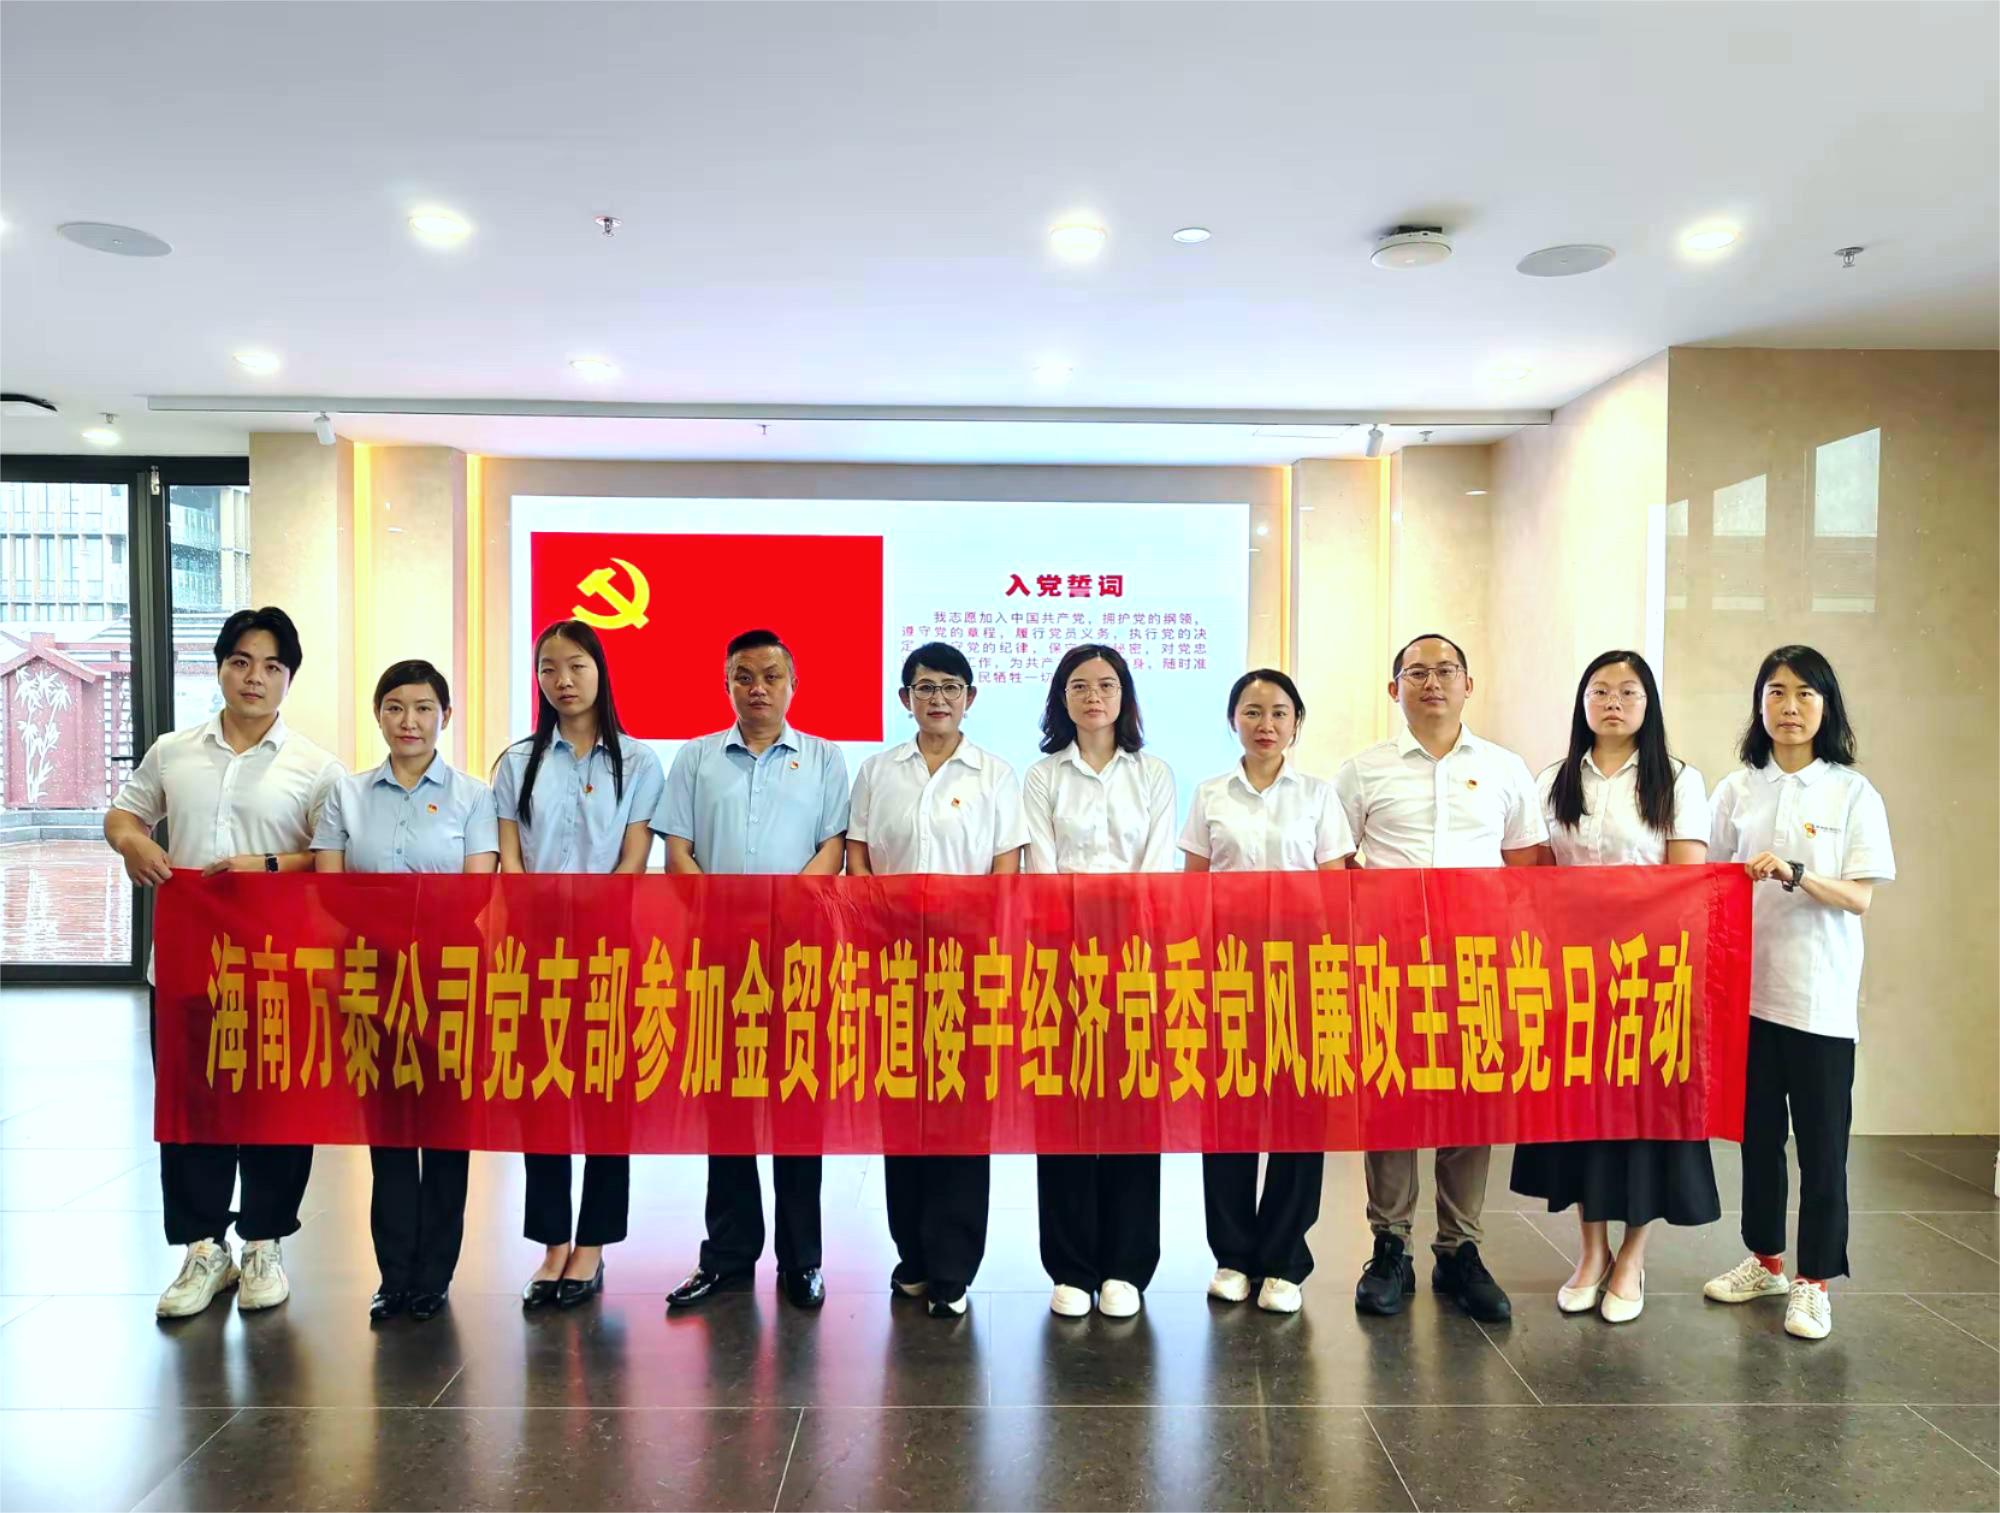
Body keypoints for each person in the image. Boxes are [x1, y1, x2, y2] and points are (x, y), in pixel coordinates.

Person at [105, 606, 344, 1318]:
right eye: (241, 661)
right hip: (186, 965)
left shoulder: (316, 768)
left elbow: (333, 858)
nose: (254, 677)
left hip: (276, 966)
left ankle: (264, 1240)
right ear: (219, 667)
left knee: (277, 1104)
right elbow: (123, 814)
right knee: (193, 1105)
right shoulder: (173, 751)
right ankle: (203, 1248)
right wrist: (133, 842)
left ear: (289, 678)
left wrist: (266, 864)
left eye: (272, 665)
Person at [1334, 632, 1549, 1324]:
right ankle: (1389, 1244)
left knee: (1469, 1098)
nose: (1432, 683)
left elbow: (1527, 865)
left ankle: (1460, 1248)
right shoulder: (1362, 771)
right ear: (1394, 688)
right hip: (1390, 959)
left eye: (1446, 671)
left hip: (1477, 961)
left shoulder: (1504, 768)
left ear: (1468, 684)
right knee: (1391, 1093)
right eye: (1417, 672)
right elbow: (1336, 861)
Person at [1508, 650, 1716, 1324]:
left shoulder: (1678, 780)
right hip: (1573, 975)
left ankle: (1633, 1254)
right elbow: (1538, 878)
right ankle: (1591, 1250)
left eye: (1628, 692)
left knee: (1641, 1117)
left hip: (1648, 975)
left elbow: (1687, 883)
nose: (1613, 703)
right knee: (1582, 1116)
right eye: (1600, 691)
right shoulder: (1554, 779)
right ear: (1583, 702)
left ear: (1649, 704)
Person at [1701, 645, 1894, 1342]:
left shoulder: (1852, 792)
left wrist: (1796, 872)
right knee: (1757, 1139)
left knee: (1821, 1146)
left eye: (1805, 694)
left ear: (1826, 706)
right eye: (1776, 692)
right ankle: (1765, 1261)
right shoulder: (1736, 789)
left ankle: (1814, 1282)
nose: (1789, 707)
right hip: (1746, 996)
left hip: (1819, 999)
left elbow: (1860, 897)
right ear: (1759, 705)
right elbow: (1707, 882)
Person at [659, 628, 849, 1311]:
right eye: (743, 676)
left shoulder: (824, 757)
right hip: (718, 952)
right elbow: (677, 852)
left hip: (797, 953)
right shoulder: (696, 757)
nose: (757, 687)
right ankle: (729, 1254)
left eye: (771, 675)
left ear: (793, 684)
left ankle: (802, 1259)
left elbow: (833, 849)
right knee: (728, 1107)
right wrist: (726, 911)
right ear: (727, 685)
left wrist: (780, 909)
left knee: (798, 1103)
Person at [312, 659, 497, 1323]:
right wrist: (392, 924)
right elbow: (330, 890)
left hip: (450, 977)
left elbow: (476, 892)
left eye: (423, 708)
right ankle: (394, 1275)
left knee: (446, 1130)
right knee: (387, 1131)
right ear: (379, 715)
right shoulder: (347, 794)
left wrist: (397, 915)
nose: (408, 721)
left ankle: (434, 1275)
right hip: (371, 975)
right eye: (395, 707)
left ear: (445, 715)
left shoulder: (475, 797)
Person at [847, 642, 1026, 1319]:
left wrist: (980, 936)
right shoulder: (877, 771)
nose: (938, 698)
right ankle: (914, 1257)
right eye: (925, 687)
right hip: (893, 961)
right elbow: (858, 856)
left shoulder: (995, 774)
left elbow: (1006, 867)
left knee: (960, 1108)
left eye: (951, 686)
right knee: (902, 1106)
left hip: (966, 962)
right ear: (905, 699)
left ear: (970, 698)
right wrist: (878, 924)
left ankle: (953, 1264)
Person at [494, 620, 664, 1310]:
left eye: (576, 666)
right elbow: (510, 857)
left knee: (602, 1094)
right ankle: (552, 1243)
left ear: (600, 671)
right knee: (543, 1094)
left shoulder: (639, 762)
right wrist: (535, 916)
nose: (562, 680)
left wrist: (590, 919)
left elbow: (634, 858)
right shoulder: (517, 762)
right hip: (536, 949)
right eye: (548, 668)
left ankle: (592, 1242)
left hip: (608, 947)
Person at [1180, 669, 1354, 1314]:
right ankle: (1231, 1255)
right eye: (1252, 711)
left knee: (1298, 1113)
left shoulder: (1318, 796)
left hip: (1302, 971)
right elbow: (1193, 890)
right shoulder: (1209, 794)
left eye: (1279, 712)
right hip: (1228, 971)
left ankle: (1284, 1259)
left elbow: (1335, 891)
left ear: (1296, 724)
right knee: (1227, 1113)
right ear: (1233, 720)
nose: (1266, 724)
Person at [1021, 643, 1176, 1319]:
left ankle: (1127, 1265)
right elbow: (1043, 870)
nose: (1093, 696)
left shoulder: (1154, 774)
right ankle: (1071, 1265)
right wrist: (1078, 930)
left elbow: (1156, 868)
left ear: (1124, 696)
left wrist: (1123, 932)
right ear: (1062, 698)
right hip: (1061, 958)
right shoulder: (1042, 776)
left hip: (1136, 958)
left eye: (1106, 685)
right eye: (1079, 685)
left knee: (1132, 1107)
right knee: (1065, 1108)